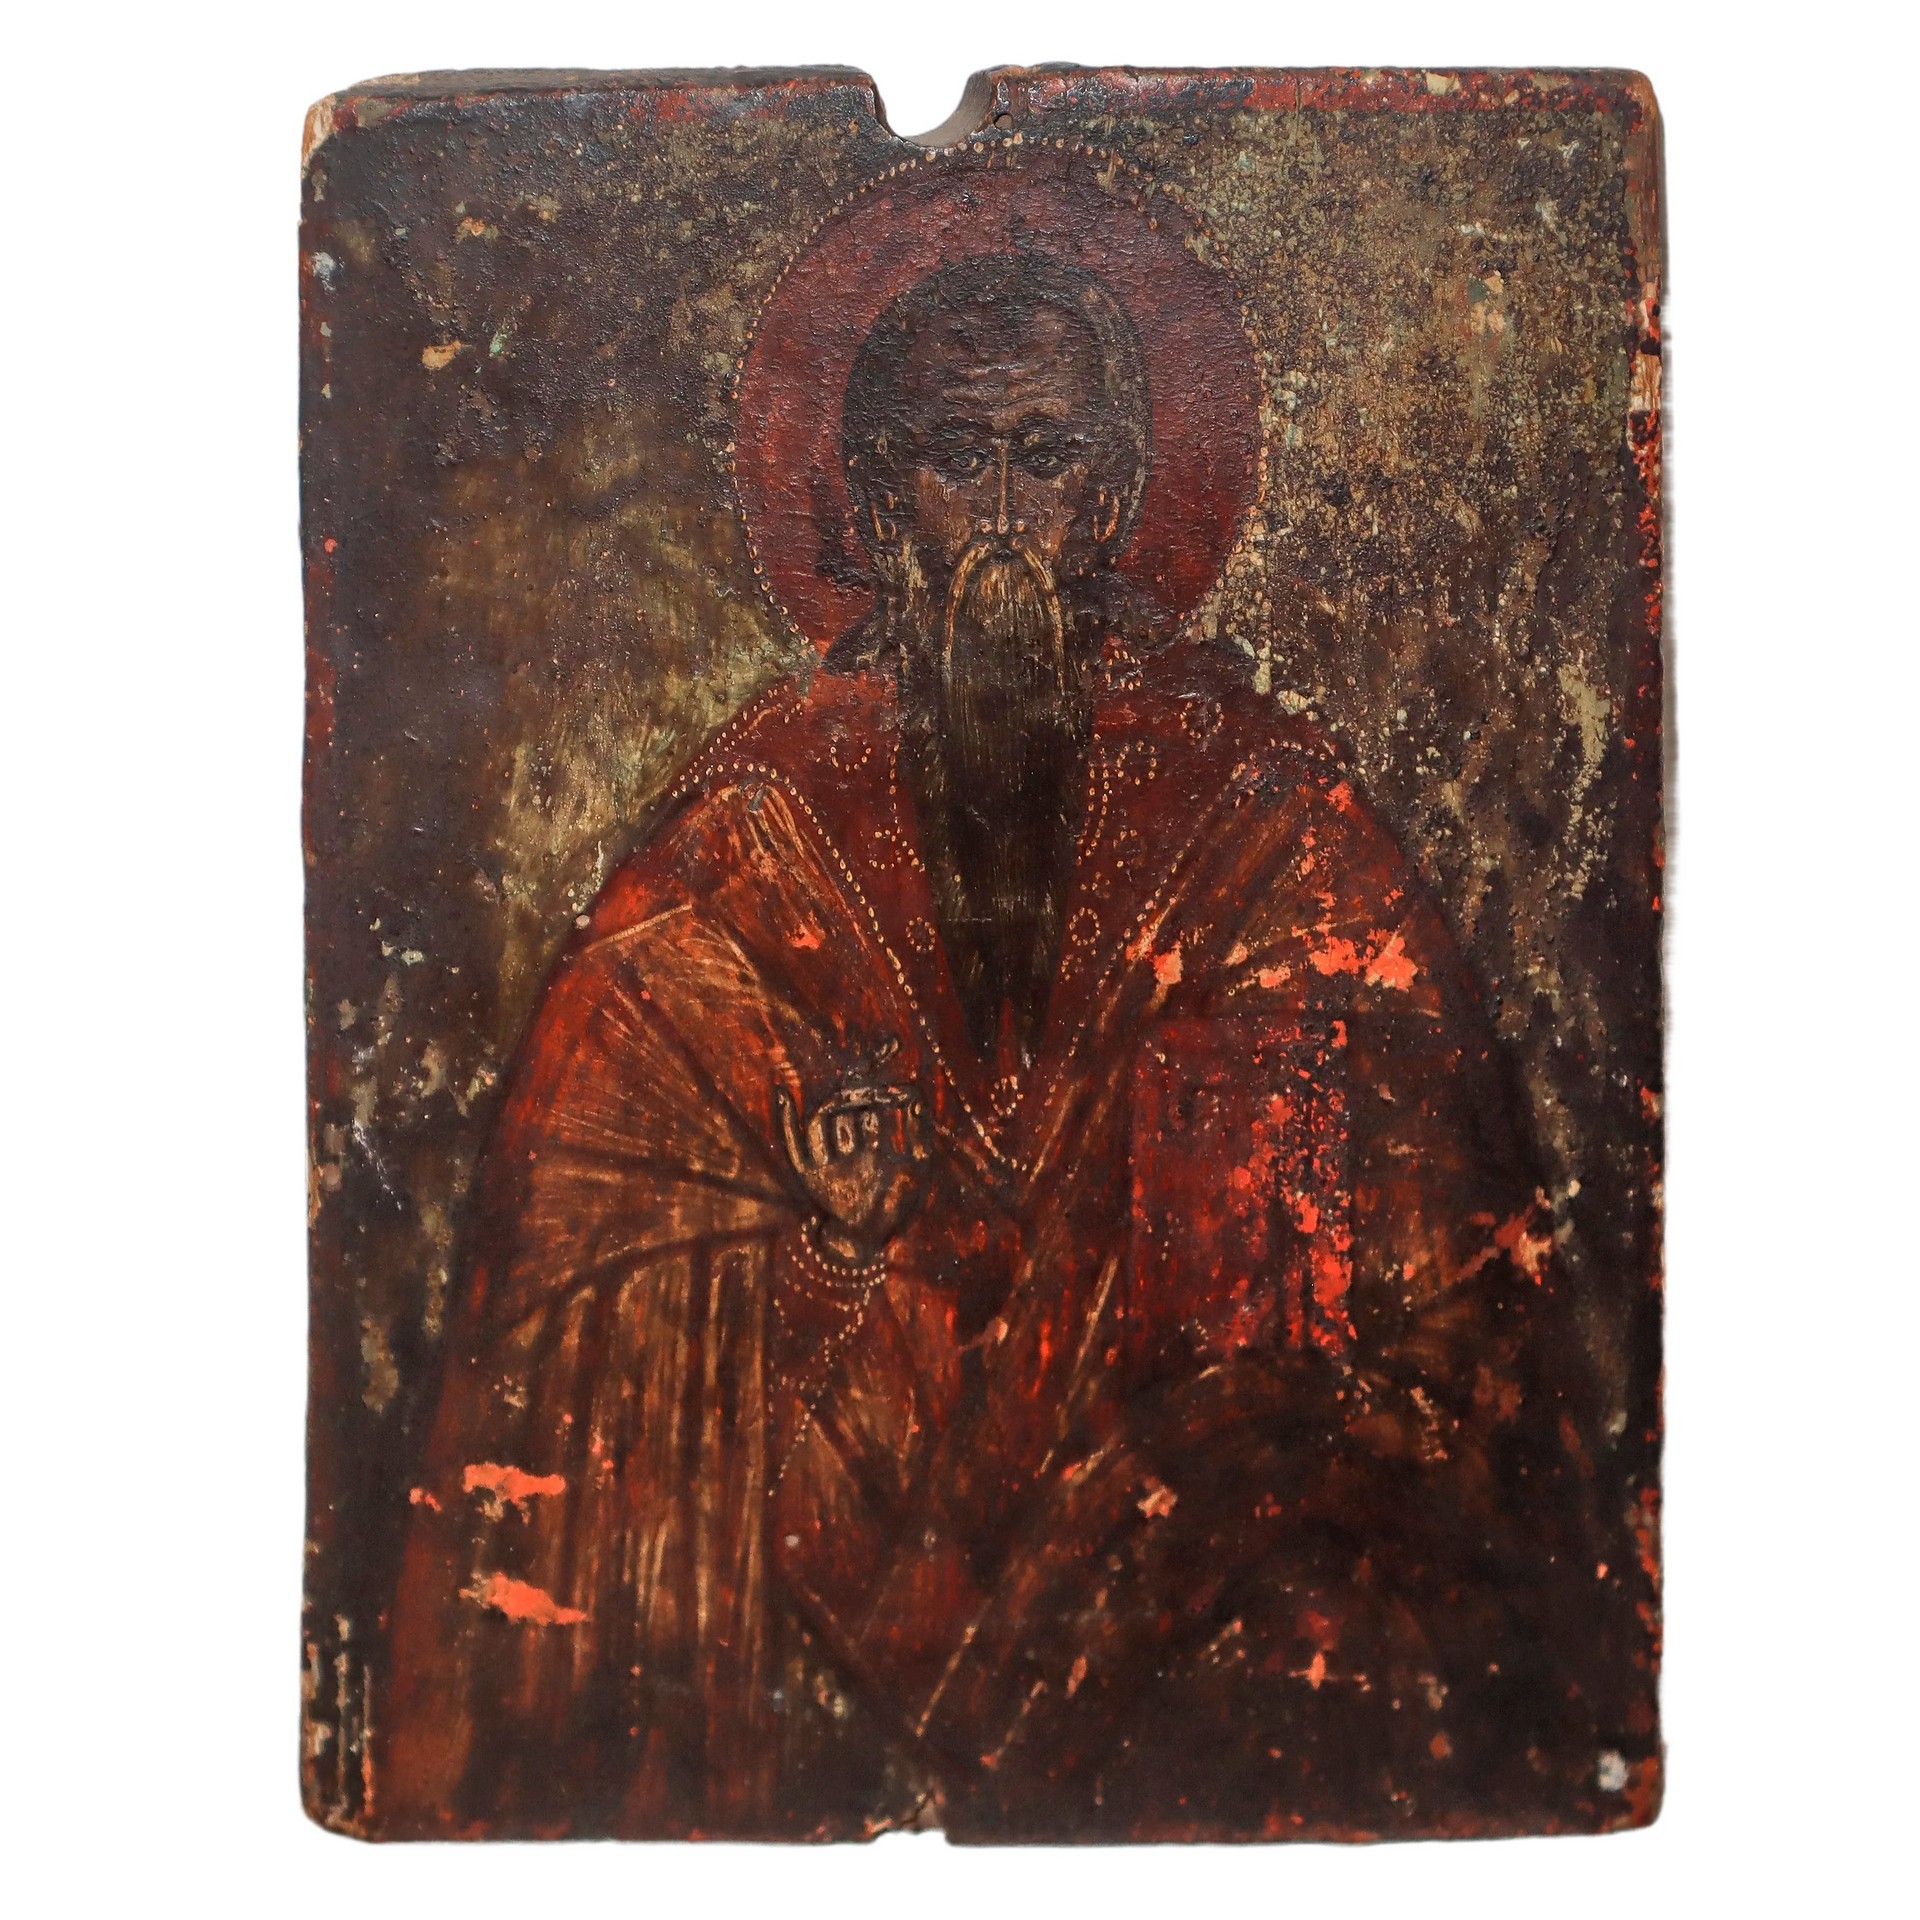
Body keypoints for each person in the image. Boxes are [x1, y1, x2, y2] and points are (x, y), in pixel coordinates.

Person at [384, 250, 1604, 1840]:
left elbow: (1429, 1289)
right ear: (880, 506)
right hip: (827, 1606)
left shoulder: (1271, 822)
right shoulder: (738, 843)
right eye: (959, 458)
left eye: (1050, 456)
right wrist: (827, 1255)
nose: (1008, 514)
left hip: (1187, 1624)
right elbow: (579, 1294)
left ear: (1117, 500)